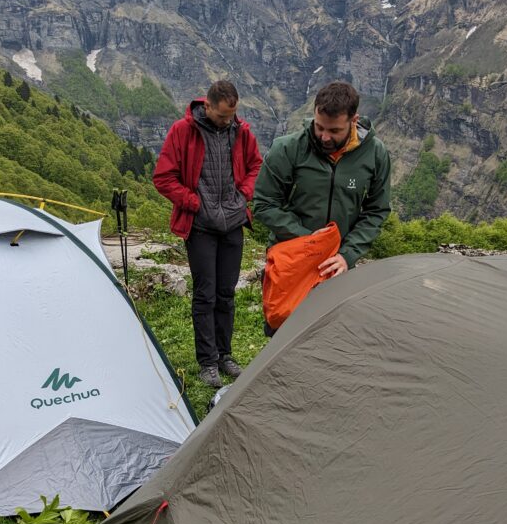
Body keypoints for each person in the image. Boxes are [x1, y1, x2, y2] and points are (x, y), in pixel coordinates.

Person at [253, 81, 391, 326]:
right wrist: (308, 239)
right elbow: (264, 204)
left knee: (331, 334)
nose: (324, 137)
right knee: (283, 329)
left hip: (337, 265)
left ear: (353, 120)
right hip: (291, 259)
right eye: (319, 127)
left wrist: (347, 255)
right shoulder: (288, 148)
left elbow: (376, 210)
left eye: (334, 131)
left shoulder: (375, 153)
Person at [153, 81, 262, 388]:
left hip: (233, 223)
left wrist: (244, 194)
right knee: (206, 294)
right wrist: (194, 203)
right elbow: (163, 177)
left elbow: (255, 164)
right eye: (224, 115)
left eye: (233, 114)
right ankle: (207, 361)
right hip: (200, 226)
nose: (229, 120)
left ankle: (225, 355)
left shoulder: (240, 131)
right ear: (209, 106)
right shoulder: (183, 131)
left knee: (226, 293)